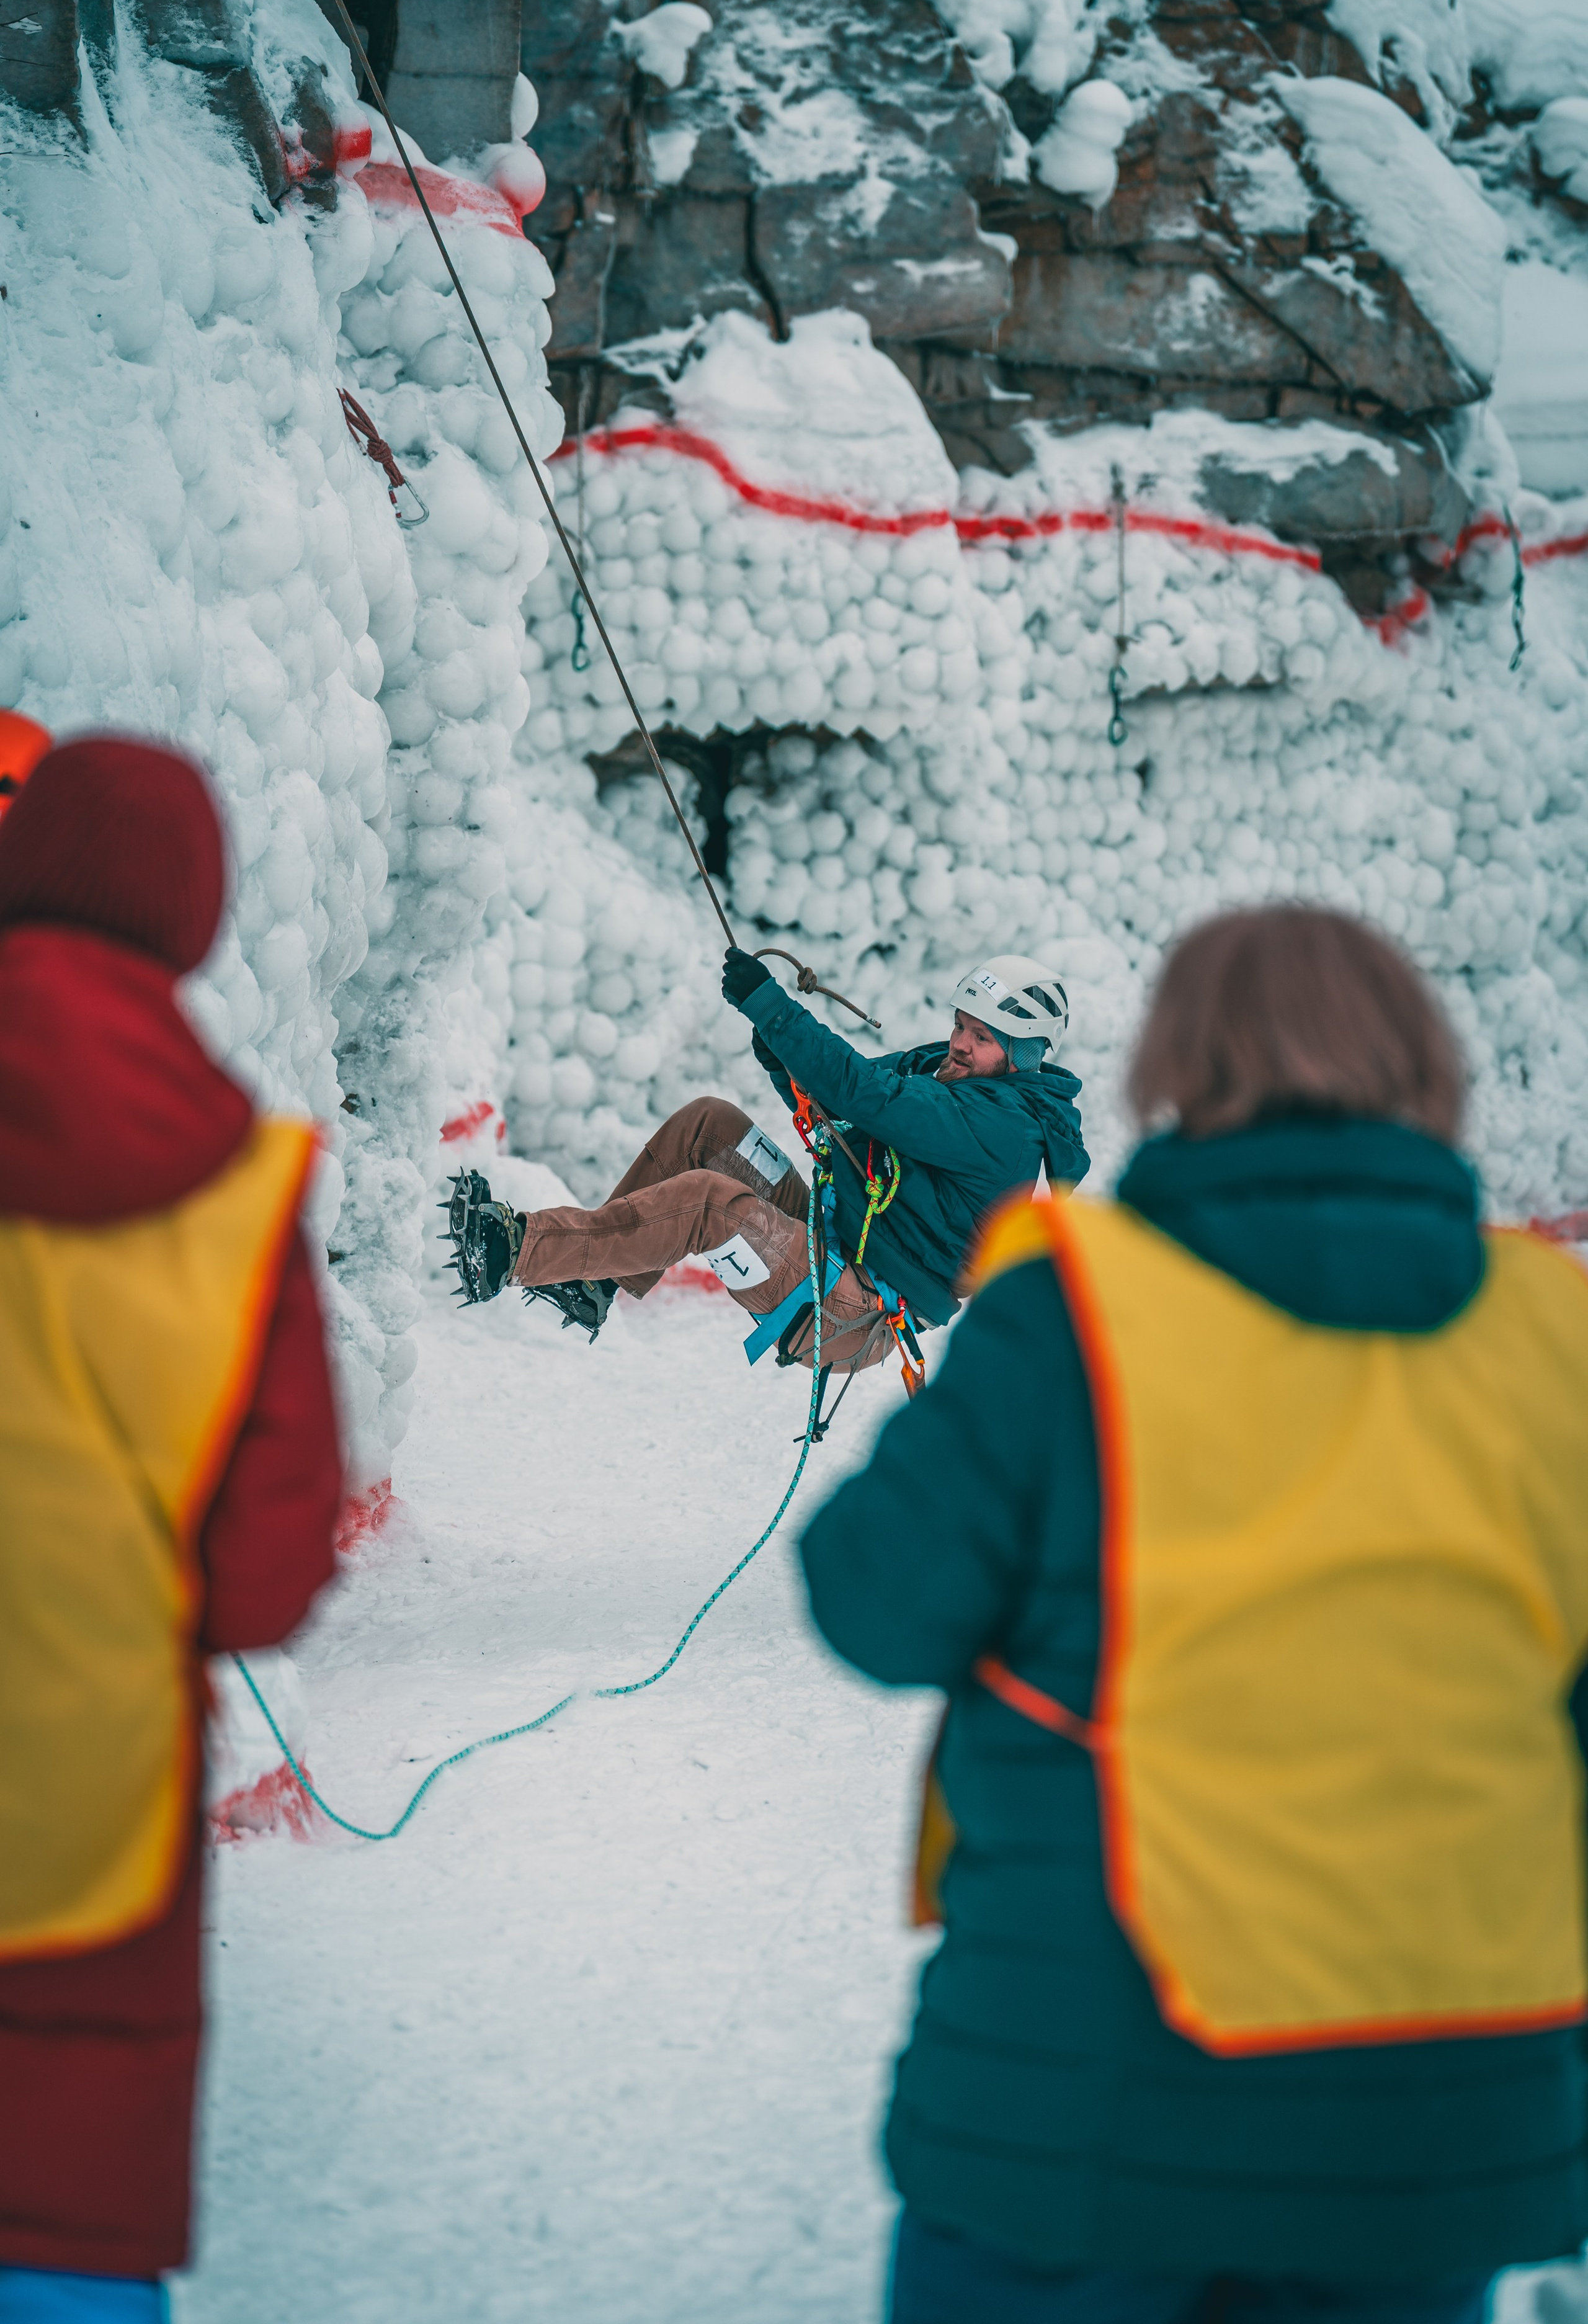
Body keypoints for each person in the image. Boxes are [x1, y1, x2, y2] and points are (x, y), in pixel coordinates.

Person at [799, 905, 1588, 2324]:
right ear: (1424, 1065)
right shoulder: (1555, 1335)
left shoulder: (1071, 1308)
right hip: (1435, 2113)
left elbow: (869, 1601)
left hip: (1078, 2098)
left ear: (1177, 1066)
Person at [0, 737, 342, 2322]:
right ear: (197, 915)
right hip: (85, 1795)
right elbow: (270, 1571)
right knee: (57, 2207)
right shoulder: (233, 1195)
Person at [452, 947, 1088, 1388]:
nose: (959, 1042)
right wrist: (781, 1053)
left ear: (1023, 1054)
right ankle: (588, 1287)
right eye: (961, 1024)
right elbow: (846, 1108)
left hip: (848, 1309)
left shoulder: (1004, 1127)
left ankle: (516, 1252)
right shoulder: (942, 1071)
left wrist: (773, 1009)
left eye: (982, 1037)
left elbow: (870, 1095)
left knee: (709, 1203)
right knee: (710, 1125)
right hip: (829, 1236)